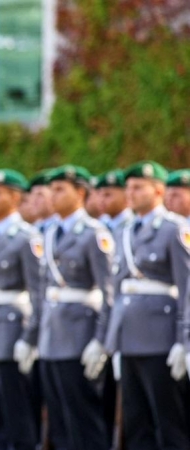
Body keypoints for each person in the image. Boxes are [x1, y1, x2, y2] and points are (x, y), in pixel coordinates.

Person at [103, 161, 190, 448]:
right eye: (128, 188)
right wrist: (112, 340)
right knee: (136, 423)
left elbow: (187, 288)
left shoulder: (174, 229)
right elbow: (116, 290)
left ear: (158, 191)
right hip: (128, 338)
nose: (131, 193)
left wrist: (183, 341)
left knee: (169, 423)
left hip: (161, 340)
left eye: (138, 187)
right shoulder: (124, 231)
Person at [38, 165, 113, 450]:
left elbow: (109, 292)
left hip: (80, 337)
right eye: (51, 190)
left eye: (59, 190)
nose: (51, 196)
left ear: (80, 193)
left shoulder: (94, 233)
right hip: (52, 336)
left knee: (84, 420)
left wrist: (101, 341)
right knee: (59, 422)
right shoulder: (49, 232)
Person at [0, 170, 41, 450]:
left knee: (17, 411)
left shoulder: (26, 236)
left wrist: (30, 338)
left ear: (15, 197)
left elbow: (38, 292)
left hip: (13, 330)